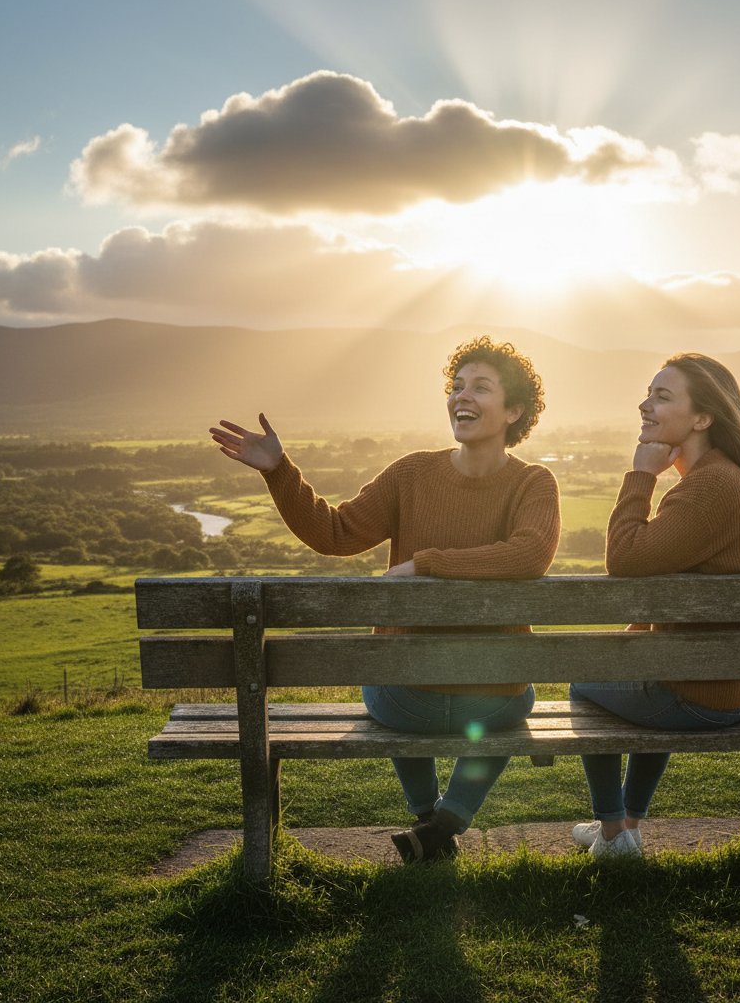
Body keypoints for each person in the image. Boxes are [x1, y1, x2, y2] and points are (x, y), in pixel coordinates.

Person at [209, 335, 560, 862]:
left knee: (386, 668)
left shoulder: (427, 474)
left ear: (514, 410)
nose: (461, 396)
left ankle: (430, 821)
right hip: (496, 699)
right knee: (513, 701)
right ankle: (448, 822)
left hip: (403, 702)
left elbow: (335, 534)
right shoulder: (522, 483)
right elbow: (339, 534)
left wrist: (426, 562)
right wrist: (277, 472)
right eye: (457, 385)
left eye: (480, 387)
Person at [570, 352, 740, 859]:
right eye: (648, 393)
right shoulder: (721, 479)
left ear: (702, 418)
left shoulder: (710, 489)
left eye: (661, 396)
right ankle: (627, 826)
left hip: (705, 695)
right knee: (646, 665)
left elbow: (625, 558)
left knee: (583, 684)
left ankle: (613, 835)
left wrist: (641, 476)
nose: (644, 405)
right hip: (730, 685)